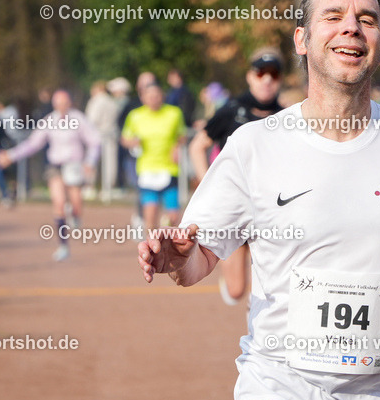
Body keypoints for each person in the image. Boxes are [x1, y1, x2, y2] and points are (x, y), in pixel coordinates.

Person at [138, 0, 380, 400]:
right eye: (333, 16)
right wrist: (177, 258)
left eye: (367, 19)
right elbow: (199, 260)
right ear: (302, 39)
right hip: (280, 395)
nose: (351, 27)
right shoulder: (254, 144)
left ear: (379, 44)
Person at [188, 49, 284, 305]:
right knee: (236, 290)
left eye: (273, 75)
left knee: (266, 291)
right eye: (261, 73)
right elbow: (197, 146)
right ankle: (229, 274)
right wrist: (207, 183)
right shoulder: (231, 110)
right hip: (234, 208)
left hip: (270, 211)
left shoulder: (287, 117)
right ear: (250, 77)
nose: (267, 80)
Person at [0, 90, 101, 261]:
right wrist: (11, 155)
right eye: (58, 103)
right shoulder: (49, 121)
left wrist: (90, 161)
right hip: (55, 167)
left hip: (74, 165)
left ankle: (75, 215)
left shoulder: (79, 119)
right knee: (58, 203)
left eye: (64, 102)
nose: (61, 106)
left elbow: (94, 141)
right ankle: (63, 245)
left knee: (76, 202)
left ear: (69, 103)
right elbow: (33, 144)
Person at [122, 83, 187, 232]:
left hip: (169, 168)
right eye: (149, 96)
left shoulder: (174, 113)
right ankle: (152, 250)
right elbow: (125, 139)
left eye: (156, 95)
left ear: (162, 96)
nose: (153, 99)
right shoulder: (135, 115)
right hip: (147, 169)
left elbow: (182, 135)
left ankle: (167, 245)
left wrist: (176, 146)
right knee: (150, 215)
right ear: (143, 97)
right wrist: (133, 142)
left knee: (173, 216)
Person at [84, 81, 120, 201]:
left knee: (92, 161)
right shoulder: (112, 101)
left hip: (97, 134)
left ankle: (90, 187)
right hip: (110, 135)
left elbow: (92, 119)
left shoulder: (97, 101)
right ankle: (108, 188)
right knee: (110, 163)